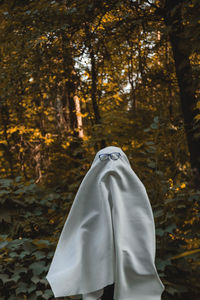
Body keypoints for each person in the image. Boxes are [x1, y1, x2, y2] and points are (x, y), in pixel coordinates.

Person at [46, 146, 165, 299]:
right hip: (98, 272)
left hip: (131, 265)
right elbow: (81, 230)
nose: (110, 164)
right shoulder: (87, 195)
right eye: (104, 159)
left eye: (115, 157)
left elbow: (142, 228)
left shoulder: (136, 190)